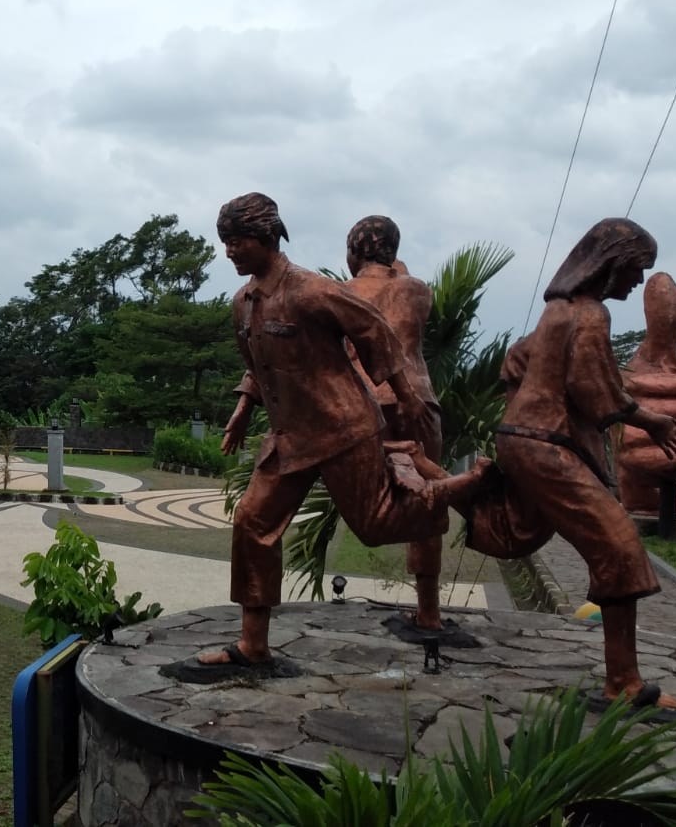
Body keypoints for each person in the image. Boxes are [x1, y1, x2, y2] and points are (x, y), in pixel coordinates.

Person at [169, 193, 482, 683]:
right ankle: (252, 646)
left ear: (270, 237)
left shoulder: (311, 291)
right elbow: (259, 365)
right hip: (290, 435)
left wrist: (406, 394)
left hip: (344, 429)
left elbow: (373, 330)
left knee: (378, 525)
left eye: (238, 242)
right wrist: (240, 410)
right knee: (252, 523)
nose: (229, 251)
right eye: (225, 243)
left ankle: (459, 487)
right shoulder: (243, 303)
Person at [461, 218, 676, 715]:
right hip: (545, 444)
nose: (636, 282)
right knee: (618, 546)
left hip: (525, 439)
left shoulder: (557, 311)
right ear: (610, 264)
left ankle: (467, 492)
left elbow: (516, 359)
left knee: (524, 530)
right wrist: (653, 420)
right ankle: (625, 685)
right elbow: (597, 392)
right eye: (635, 270)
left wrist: (519, 409)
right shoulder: (590, 315)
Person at [342, 215, 447, 632]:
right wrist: (400, 271)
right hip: (418, 399)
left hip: (363, 401)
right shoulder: (415, 289)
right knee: (431, 499)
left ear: (352, 252)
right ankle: (429, 610)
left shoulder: (342, 292)